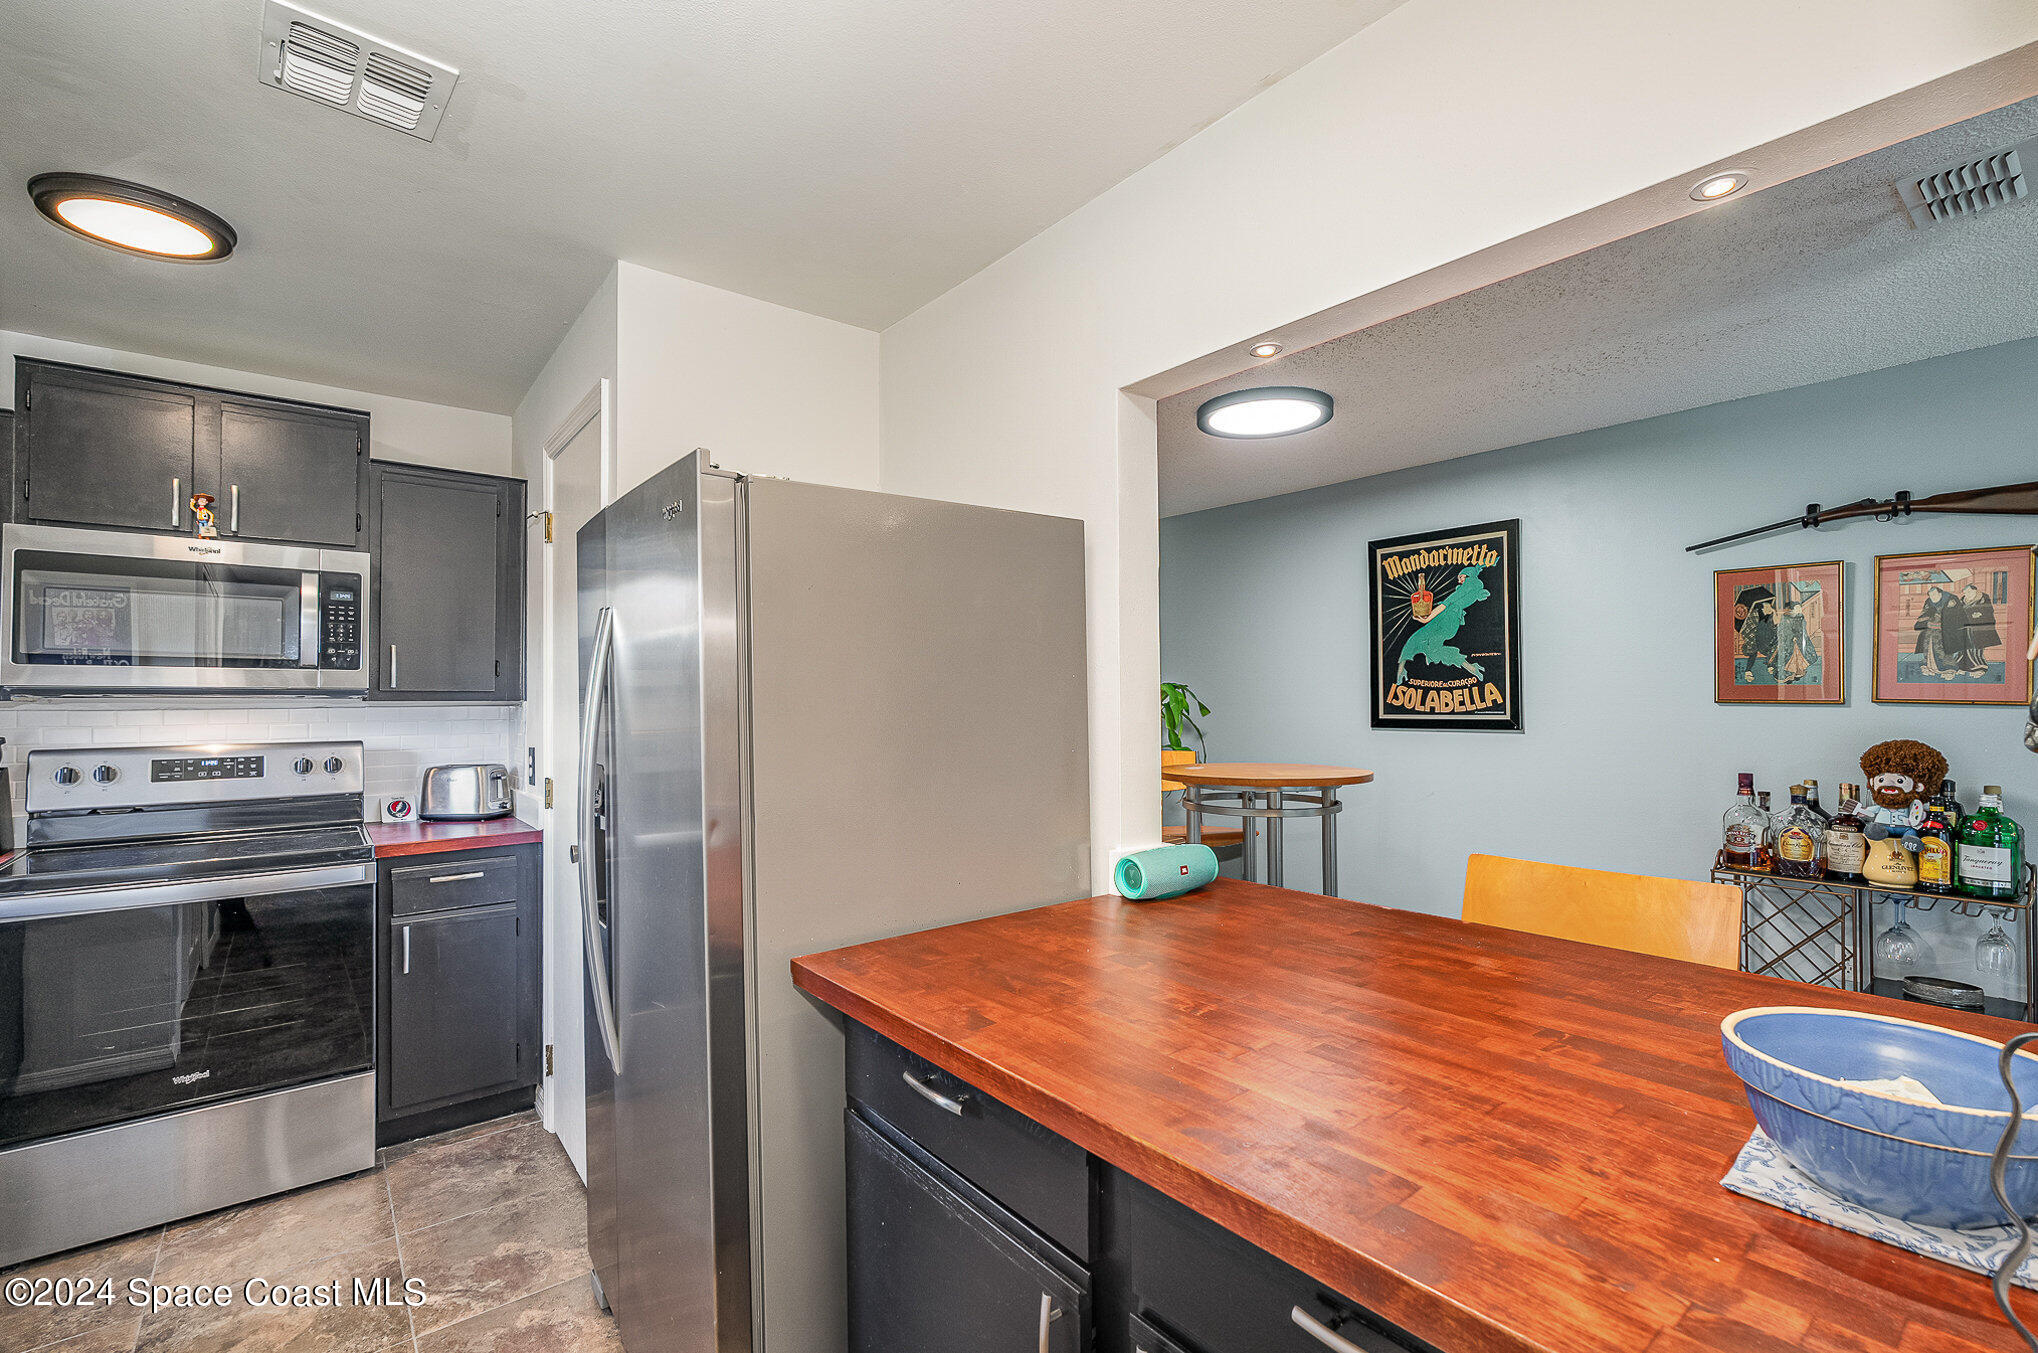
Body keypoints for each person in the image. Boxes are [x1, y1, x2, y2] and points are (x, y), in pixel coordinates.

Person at [1952, 579, 2001, 677]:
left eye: (1969, 592)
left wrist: (1979, 614)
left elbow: (1988, 611)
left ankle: (1979, 668)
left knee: (1975, 650)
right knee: (1963, 650)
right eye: (1965, 592)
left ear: (1975, 590)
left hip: (1978, 628)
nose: (1967, 594)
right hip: (1965, 628)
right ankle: (1962, 667)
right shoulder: (1962, 600)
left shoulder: (1983, 598)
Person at [1912, 583, 1958, 679]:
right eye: (1930, 595)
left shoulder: (1950, 600)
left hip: (1945, 632)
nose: (1932, 597)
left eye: (1934, 594)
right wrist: (1925, 618)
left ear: (1940, 593)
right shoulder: (1929, 601)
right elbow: (1924, 613)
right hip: (1930, 631)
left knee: (1942, 651)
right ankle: (1931, 667)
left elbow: (1955, 617)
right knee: (1928, 649)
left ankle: (1947, 670)